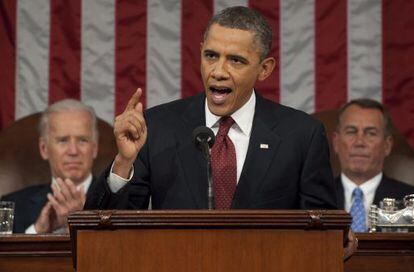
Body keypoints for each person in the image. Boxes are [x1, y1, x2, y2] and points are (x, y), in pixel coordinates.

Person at [85, 6, 337, 211]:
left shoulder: (302, 135)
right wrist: (123, 162)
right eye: (211, 56)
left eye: (236, 60)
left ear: (264, 69)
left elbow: (320, 232)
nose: (218, 71)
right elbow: (110, 228)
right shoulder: (157, 127)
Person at [2, 99, 98, 233]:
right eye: (63, 141)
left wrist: (82, 223)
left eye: (82, 140)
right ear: (44, 149)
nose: (73, 151)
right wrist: (37, 231)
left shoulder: (121, 202)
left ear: (94, 148)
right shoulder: (12, 206)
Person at [333, 98, 414, 232]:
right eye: (351, 131)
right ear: (336, 142)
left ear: (387, 145)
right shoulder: (314, 198)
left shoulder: (409, 202)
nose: (359, 142)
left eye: (371, 133)